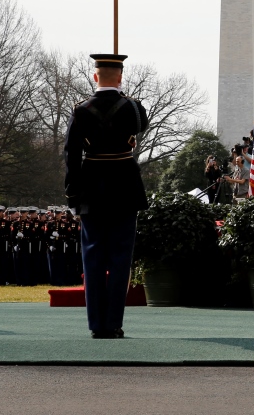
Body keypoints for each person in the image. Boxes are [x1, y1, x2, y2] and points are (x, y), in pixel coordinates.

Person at [63, 53, 150, 340]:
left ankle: (97, 325)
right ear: (121, 77)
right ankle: (113, 323)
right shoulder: (134, 109)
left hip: (92, 188)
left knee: (93, 258)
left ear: (95, 76)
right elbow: (142, 124)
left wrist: (72, 194)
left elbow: (72, 156)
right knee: (121, 258)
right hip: (124, 186)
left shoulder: (81, 111)